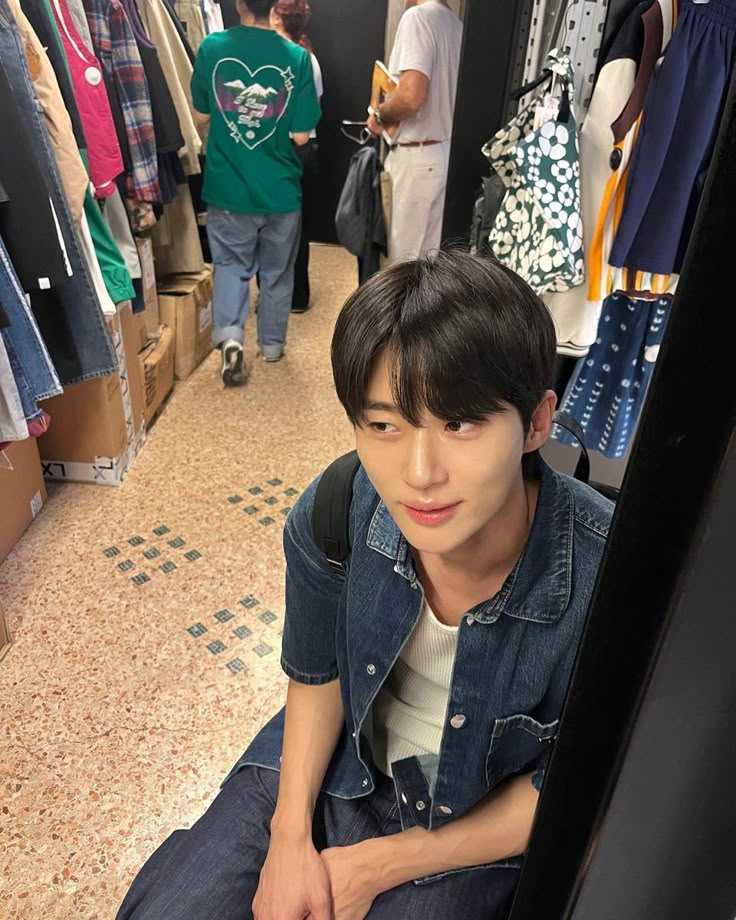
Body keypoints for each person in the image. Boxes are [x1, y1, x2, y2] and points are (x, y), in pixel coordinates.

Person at [116, 251, 613, 920]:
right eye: (384, 425)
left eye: (459, 422)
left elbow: (574, 784)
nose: (418, 471)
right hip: (338, 762)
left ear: (536, 421)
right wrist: (289, 837)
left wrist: (384, 864)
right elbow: (316, 674)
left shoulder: (606, 575)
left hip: (475, 812)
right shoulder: (336, 513)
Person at [191, 0, 321, 386]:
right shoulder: (297, 58)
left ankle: (231, 338)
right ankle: (272, 347)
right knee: (277, 272)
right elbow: (301, 134)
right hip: (280, 190)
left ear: (238, 3)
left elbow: (200, 113)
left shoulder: (212, 48)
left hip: (227, 188)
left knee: (230, 264)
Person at [368, 0, 463, 262]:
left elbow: (411, 97)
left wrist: (379, 114)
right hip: (442, 153)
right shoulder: (456, 26)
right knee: (429, 264)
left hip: (416, 158)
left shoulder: (417, 18)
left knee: (405, 268)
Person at [270, 0, 323, 313]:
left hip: (283, 149)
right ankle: (296, 297)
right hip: (304, 151)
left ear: (277, 18)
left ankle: (277, 295)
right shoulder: (309, 59)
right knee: (295, 227)